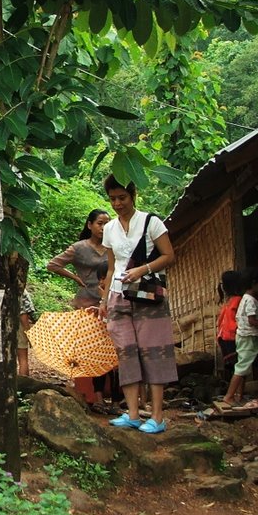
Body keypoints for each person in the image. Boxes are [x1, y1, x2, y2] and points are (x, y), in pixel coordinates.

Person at [98, 175, 176, 434]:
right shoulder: (109, 229)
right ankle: (132, 413)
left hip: (148, 296)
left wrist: (143, 269)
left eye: (122, 198)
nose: (118, 204)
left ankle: (157, 416)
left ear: (133, 196)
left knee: (154, 351)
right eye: (113, 199)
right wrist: (104, 300)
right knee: (126, 353)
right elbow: (111, 268)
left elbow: (169, 255)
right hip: (119, 296)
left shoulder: (151, 222)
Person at [47, 208, 114, 406]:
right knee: (88, 351)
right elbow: (53, 265)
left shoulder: (112, 247)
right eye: (100, 223)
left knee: (109, 350)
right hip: (86, 305)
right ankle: (89, 395)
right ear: (90, 225)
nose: (103, 227)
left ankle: (111, 394)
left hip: (109, 303)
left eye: (107, 223)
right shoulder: (79, 248)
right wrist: (76, 278)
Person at [219, 268, 258, 408]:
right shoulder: (244, 300)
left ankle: (239, 395)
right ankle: (229, 396)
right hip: (247, 337)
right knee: (242, 368)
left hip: (252, 336)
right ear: (254, 283)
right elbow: (251, 321)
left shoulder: (238, 300)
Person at [216, 270, 244, 376]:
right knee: (238, 367)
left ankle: (237, 390)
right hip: (230, 338)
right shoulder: (235, 300)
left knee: (236, 367)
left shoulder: (232, 301)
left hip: (227, 338)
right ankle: (237, 390)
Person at [17, 287, 36, 377]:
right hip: (18, 326)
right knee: (23, 358)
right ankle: (23, 383)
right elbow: (23, 315)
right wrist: (28, 333)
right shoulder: (20, 291)